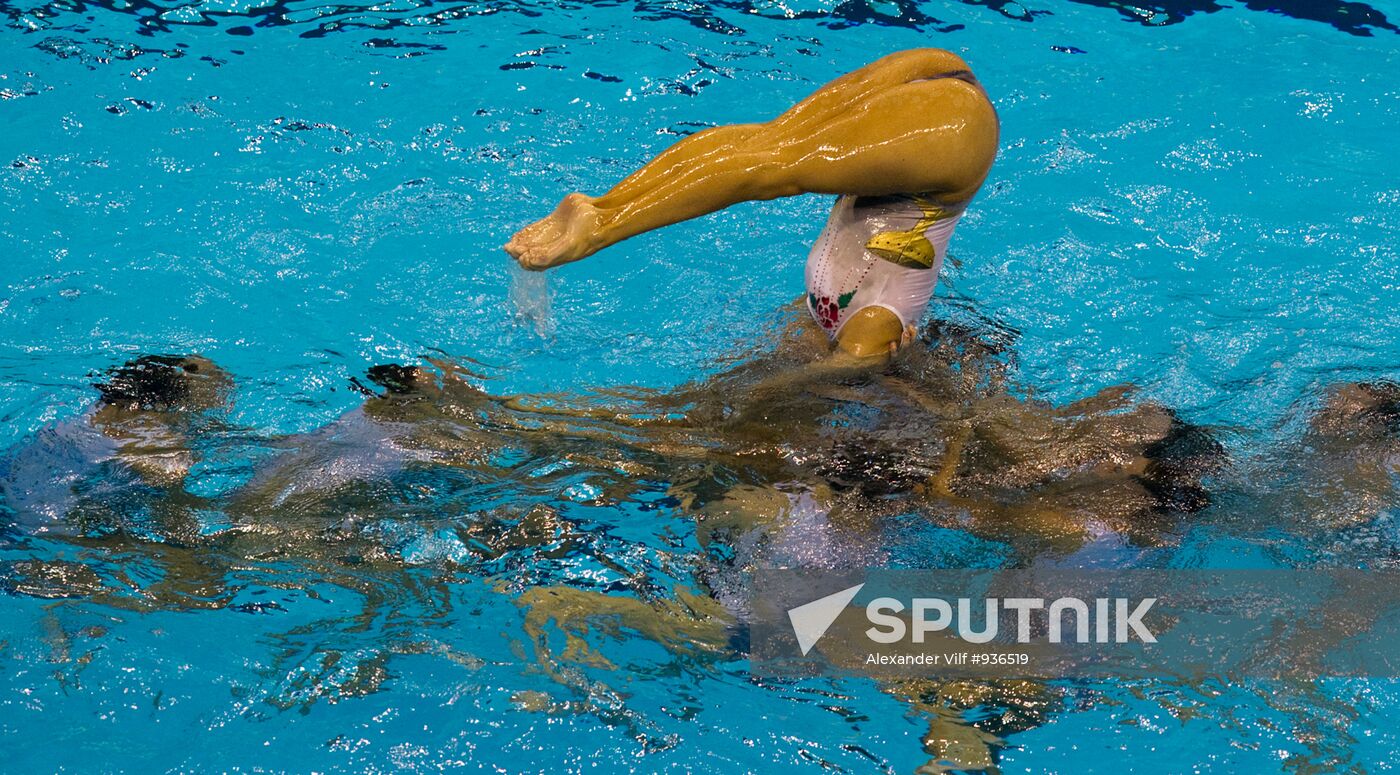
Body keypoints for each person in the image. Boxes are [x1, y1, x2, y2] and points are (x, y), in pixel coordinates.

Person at [504, 48, 998, 358]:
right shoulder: (870, 336)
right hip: (953, 134)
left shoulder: (833, 317)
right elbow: (835, 381)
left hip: (933, 75)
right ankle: (601, 224)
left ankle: (603, 205)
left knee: (771, 141)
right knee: (775, 166)